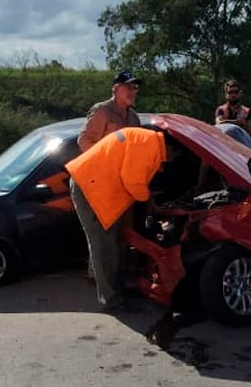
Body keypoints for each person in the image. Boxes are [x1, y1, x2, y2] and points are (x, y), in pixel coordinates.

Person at [65, 127, 182, 308]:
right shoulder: (148, 145)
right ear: (170, 148)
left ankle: (109, 285)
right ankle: (109, 298)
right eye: (173, 157)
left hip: (97, 186)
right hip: (90, 187)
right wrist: (147, 198)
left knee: (110, 241)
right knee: (101, 243)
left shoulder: (148, 141)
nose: (170, 161)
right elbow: (132, 181)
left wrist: (147, 196)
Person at [77, 70, 142, 152]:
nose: (132, 92)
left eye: (135, 88)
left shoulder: (133, 117)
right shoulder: (102, 111)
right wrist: (104, 159)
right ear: (116, 89)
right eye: (128, 87)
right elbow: (84, 140)